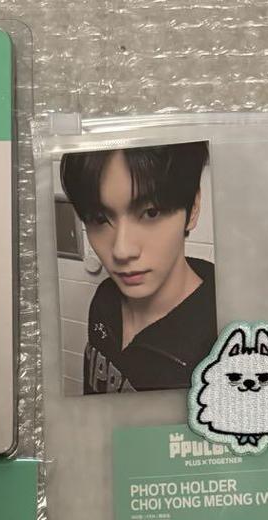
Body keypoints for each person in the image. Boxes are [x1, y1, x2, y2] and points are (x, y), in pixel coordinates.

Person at [60, 142, 217, 393]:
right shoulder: (105, 299)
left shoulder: (225, 340)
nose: (121, 251)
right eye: (99, 219)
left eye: (151, 213)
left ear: (193, 208)